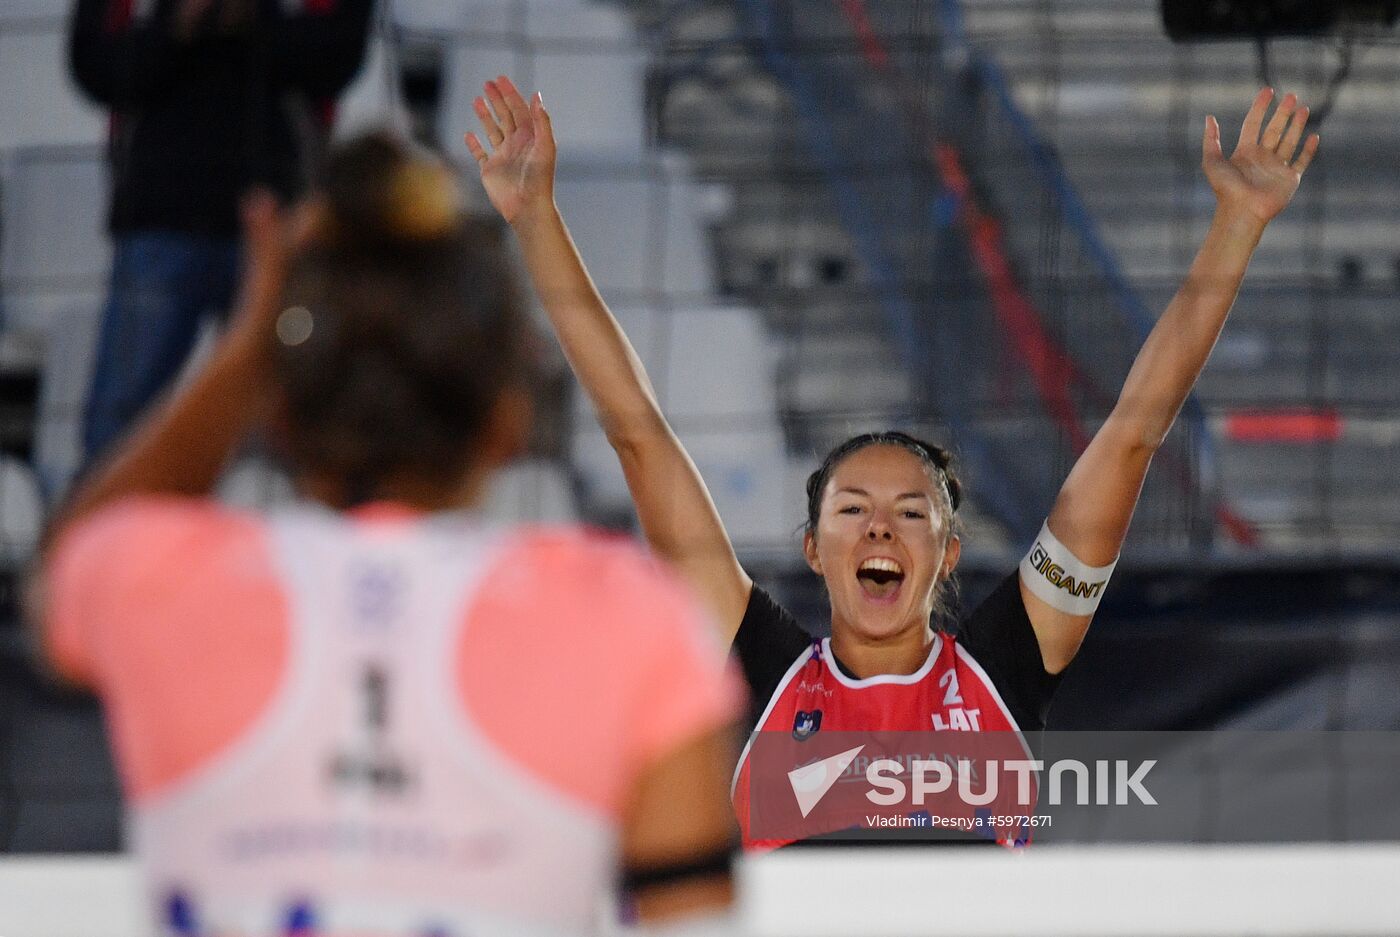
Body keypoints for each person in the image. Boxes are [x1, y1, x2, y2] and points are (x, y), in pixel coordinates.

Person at [464, 78, 1319, 848]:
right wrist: (537, 217)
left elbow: (1133, 432)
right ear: (813, 548)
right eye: (853, 509)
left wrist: (1236, 226)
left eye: (912, 512)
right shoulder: (762, 672)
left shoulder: (1006, 664)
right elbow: (637, 434)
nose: (881, 524)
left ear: (947, 553)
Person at [35, 135, 743, 934]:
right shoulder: (627, 621)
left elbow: (67, 570)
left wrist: (244, 350)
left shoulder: (165, 590)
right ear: (506, 423)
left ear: (280, 413)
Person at [67, 0, 374, 465]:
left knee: (299, 418)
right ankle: (109, 531)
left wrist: (253, 20)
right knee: (118, 428)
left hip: (275, 220)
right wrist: (180, 22)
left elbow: (339, 56)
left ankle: (302, 533)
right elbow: (96, 67)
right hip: (159, 214)